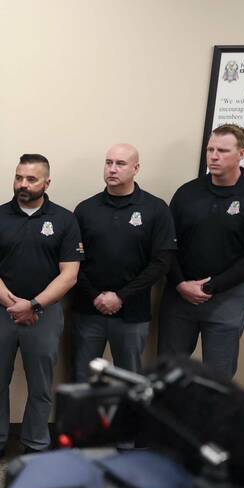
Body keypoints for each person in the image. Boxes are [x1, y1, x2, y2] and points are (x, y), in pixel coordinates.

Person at [0, 154, 81, 471]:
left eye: (31, 179)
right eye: (19, 177)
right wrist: (14, 305)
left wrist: (33, 305)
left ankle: (35, 444)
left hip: (44, 315)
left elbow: (69, 275)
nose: (23, 184)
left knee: (41, 385)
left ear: (47, 182)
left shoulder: (64, 220)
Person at [158, 124, 244, 379]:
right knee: (168, 373)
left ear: (242, 153)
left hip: (227, 298)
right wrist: (180, 284)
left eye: (222, 151)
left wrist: (210, 287)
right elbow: (167, 245)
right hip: (180, 296)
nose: (213, 156)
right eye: (210, 149)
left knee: (218, 377)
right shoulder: (187, 193)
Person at [72, 144, 175, 379]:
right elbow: (73, 261)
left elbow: (161, 262)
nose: (112, 169)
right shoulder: (86, 209)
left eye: (120, 164)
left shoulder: (155, 209)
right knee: (84, 379)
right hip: (89, 310)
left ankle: (127, 419)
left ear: (136, 168)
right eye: (109, 163)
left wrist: (121, 296)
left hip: (132, 313)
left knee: (130, 382)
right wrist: (96, 295)